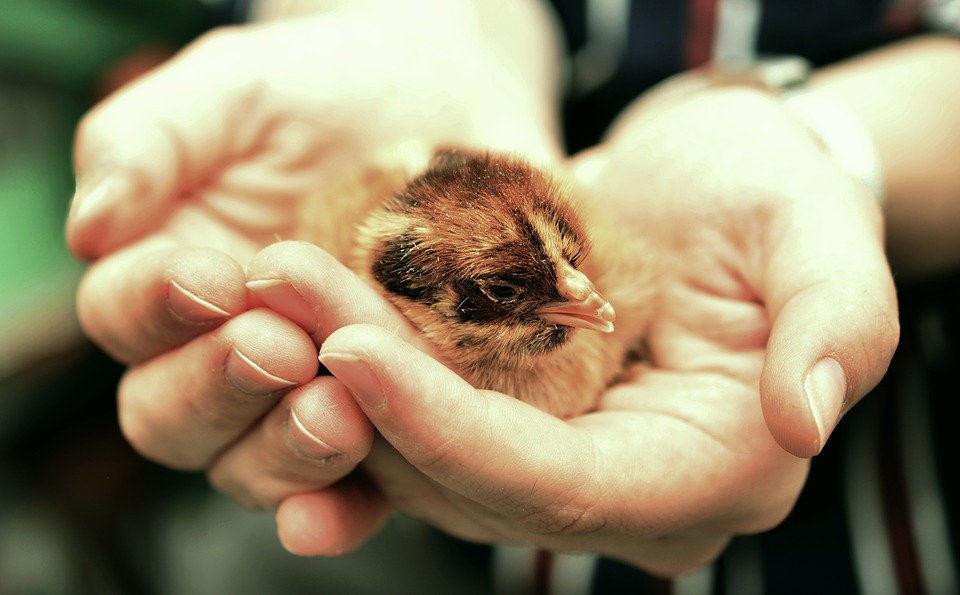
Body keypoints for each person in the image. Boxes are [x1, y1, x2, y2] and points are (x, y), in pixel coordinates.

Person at [65, 0, 958, 591]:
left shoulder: (611, 271)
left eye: (574, 268)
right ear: (416, 300)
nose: (590, 297)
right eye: (508, 290)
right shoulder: (368, 287)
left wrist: (838, 144)